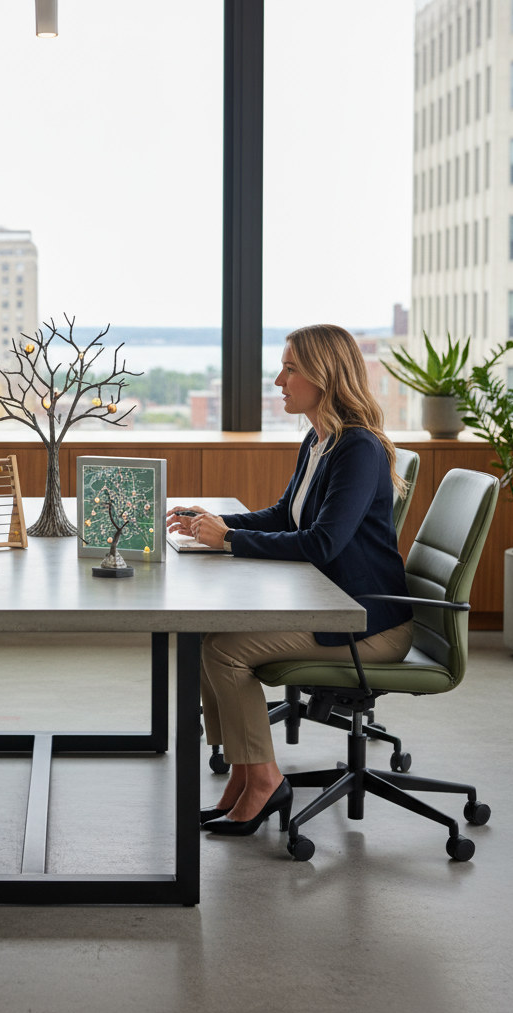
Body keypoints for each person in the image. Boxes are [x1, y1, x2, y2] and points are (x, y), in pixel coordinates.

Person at [167, 324, 414, 837]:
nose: (278, 379)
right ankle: (244, 774)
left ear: (325, 376)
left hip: (366, 624)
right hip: (330, 605)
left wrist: (228, 541)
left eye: (291, 368)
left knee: (223, 651)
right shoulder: (320, 439)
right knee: (209, 641)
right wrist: (217, 522)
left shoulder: (357, 449)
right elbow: (286, 515)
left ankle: (264, 782)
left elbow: (322, 542)